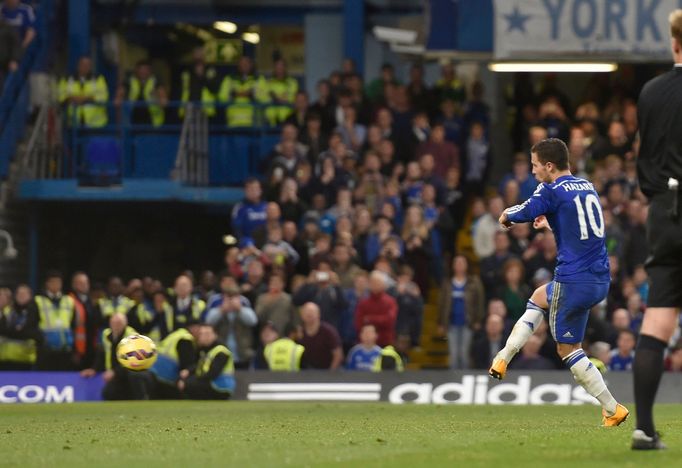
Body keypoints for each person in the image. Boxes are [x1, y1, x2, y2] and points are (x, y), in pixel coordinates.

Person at [490, 138, 629, 427]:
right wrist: (552, 222)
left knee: (567, 350)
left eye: (535, 165)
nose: (533, 171)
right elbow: (579, 228)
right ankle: (503, 357)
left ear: (549, 166)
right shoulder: (586, 185)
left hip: (573, 280)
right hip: (599, 280)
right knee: (541, 298)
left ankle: (612, 408)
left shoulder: (550, 189)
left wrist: (506, 216)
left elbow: (525, 209)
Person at [630, 8, 682, 450]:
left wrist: (658, 196)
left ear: (674, 44)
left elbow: (642, 157)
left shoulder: (650, 91)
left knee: (658, 320)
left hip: (665, 213)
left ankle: (644, 429)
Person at [81, 313, 148, 400]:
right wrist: (94, 369)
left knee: (134, 377)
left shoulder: (132, 336)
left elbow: (133, 360)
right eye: (114, 323)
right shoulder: (106, 335)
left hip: (131, 370)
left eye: (119, 323)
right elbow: (102, 353)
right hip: (115, 373)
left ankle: (142, 400)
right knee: (108, 393)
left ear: (125, 324)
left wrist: (114, 372)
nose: (116, 326)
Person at [438, 255, 485, 369]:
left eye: (462, 262)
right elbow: (442, 304)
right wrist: (440, 322)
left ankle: (464, 377)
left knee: (464, 353)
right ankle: (453, 378)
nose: (459, 265)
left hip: (468, 323)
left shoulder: (473, 282)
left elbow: (480, 301)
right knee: (453, 353)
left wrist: (478, 320)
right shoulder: (447, 283)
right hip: (451, 323)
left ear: (466, 265)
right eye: (457, 262)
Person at [205, 284, 257, 369]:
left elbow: (253, 321)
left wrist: (239, 309)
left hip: (242, 355)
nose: (231, 300)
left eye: (234, 297)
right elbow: (208, 322)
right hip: (221, 355)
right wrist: (222, 310)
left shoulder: (245, 309)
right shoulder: (217, 310)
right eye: (228, 297)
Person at [34, 270, 78, 370]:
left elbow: (73, 325)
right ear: (47, 284)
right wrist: (42, 340)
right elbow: (32, 325)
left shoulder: (69, 301)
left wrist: (73, 347)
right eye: (52, 282)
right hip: (45, 350)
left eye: (58, 282)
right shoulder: (38, 301)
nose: (55, 285)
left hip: (65, 350)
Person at [180, 324, 235, 400]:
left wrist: (190, 381)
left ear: (215, 335)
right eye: (202, 334)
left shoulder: (221, 351)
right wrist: (188, 371)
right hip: (211, 382)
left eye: (207, 334)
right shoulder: (205, 349)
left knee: (189, 384)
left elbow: (212, 373)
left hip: (220, 385)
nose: (204, 337)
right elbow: (199, 365)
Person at [149, 324, 199, 399]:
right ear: (194, 328)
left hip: (154, 368)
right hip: (167, 374)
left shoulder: (175, 334)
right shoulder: (186, 339)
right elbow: (186, 363)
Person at [58, 56, 109, 127]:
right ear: (78, 65)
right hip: (73, 123)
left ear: (90, 67)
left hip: (95, 124)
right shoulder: (66, 79)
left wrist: (87, 98)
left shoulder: (98, 79)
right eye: (83, 65)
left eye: (87, 65)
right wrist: (71, 98)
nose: (85, 67)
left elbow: (104, 96)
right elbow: (60, 96)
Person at [116, 60, 167, 126]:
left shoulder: (156, 82)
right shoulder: (129, 81)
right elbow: (118, 97)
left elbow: (164, 101)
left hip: (152, 121)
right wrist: (119, 100)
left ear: (150, 71)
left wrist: (157, 97)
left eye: (146, 69)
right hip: (132, 119)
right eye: (141, 69)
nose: (143, 72)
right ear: (137, 70)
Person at [354, 271, 398, 348]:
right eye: (372, 282)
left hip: (386, 342)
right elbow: (358, 323)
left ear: (384, 285)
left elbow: (389, 321)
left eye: (378, 282)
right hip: (366, 343)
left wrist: (370, 319)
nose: (375, 285)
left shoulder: (390, 302)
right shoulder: (363, 302)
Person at [0, 285, 39, 370]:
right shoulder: (7, 311)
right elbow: (2, 329)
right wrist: (17, 330)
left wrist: (14, 331)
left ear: (30, 296)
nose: (21, 296)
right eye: (19, 293)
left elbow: (31, 331)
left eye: (24, 294)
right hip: (5, 357)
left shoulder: (34, 311)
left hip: (25, 358)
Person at [297, 302, 343, 370]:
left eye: (312, 312)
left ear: (318, 314)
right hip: (305, 372)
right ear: (302, 315)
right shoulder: (299, 332)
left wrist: (330, 374)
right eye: (306, 312)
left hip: (326, 371)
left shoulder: (328, 331)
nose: (309, 314)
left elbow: (338, 355)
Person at [218, 55, 260, 127]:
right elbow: (222, 97)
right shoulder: (229, 79)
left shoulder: (258, 80)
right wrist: (233, 94)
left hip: (252, 125)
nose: (244, 66)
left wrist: (251, 94)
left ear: (251, 65)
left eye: (246, 63)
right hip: (233, 123)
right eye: (242, 63)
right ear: (238, 65)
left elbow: (264, 98)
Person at [69, 271, 98, 369]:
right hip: (77, 349)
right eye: (81, 283)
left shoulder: (92, 301)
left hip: (91, 347)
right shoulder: (69, 301)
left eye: (86, 283)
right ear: (74, 285)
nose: (85, 285)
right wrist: (74, 350)